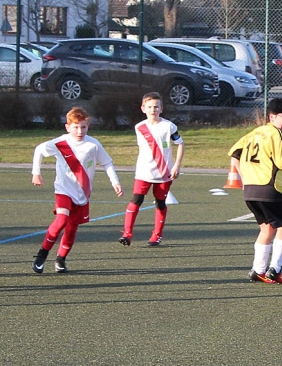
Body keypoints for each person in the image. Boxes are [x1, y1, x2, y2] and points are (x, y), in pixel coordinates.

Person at [31, 106, 123, 273]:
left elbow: (107, 162)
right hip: (63, 189)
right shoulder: (60, 143)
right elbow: (39, 150)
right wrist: (36, 173)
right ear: (67, 127)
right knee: (61, 220)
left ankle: (61, 259)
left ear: (88, 126)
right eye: (75, 127)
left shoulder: (93, 144)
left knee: (72, 228)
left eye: (83, 127)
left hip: (82, 193)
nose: (80, 131)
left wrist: (115, 182)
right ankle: (41, 254)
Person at [228, 97, 282, 284]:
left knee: (266, 228)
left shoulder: (253, 133)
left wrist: (244, 177)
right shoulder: (276, 133)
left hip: (250, 190)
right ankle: (275, 269)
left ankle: (258, 270)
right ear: (272, 116)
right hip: (270, 188)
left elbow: (234, 154)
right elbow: (281, 162)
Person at [120, 92, 185, 247]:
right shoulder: (139, 127)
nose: (153, 110)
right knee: (137, 199)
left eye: (156, 107)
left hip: (164, 173)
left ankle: (157, 235)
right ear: (143, 108)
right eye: (149, 107)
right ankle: (127, 234)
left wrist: (176, 165)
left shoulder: (169, 126)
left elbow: (180, 144)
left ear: (161, 109)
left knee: (160, 202)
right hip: (144, 172)